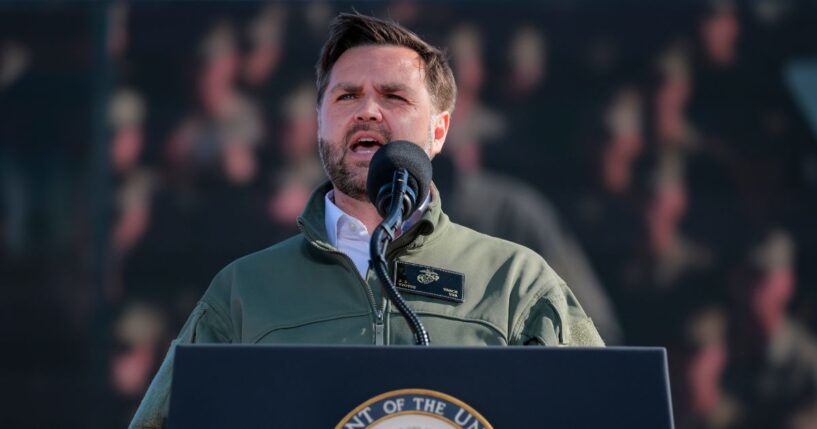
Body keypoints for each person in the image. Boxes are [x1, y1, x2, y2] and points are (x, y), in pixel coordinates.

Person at [129, 12, 604, 428]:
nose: (367, 111)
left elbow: (608, 409)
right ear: (319, 122)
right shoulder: (241, 293)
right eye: (347, 96)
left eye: (394, 96)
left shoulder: (516, 283)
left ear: (439, 130)